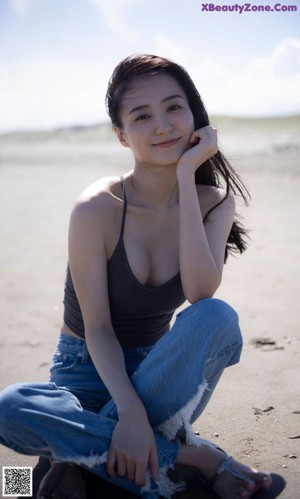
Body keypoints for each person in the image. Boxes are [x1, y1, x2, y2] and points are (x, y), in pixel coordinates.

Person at [0, 54, 285, 499]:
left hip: (159, 375)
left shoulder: (215, 201)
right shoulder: (95, 208)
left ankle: (76, 459)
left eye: (174, 107)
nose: (163, 126)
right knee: (10, 408)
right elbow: (96, 329)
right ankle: (194, 458)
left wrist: (187, 177)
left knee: (217, 316)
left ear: (194, 114)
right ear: (121, 134)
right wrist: (130, 413)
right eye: (142, 115)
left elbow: (200, 291)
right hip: (83, 372)